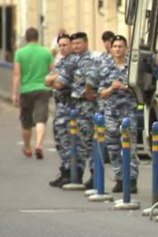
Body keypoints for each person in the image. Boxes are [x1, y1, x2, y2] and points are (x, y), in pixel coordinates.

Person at [57, 32, 98, 189]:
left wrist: (88, 90)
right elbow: (60, 78)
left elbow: (92, 79)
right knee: (79, 142)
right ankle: (77, 175)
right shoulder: (74, 61)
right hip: (77, 107)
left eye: (78, 44)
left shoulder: (90, 60)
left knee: (88, 142)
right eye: (73, 44)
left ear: (86, 43)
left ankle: (94, 177)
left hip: (87, 107)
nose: (75, 47)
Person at [99, 35, 139, 193]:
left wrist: (123, 87)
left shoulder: (132, 67)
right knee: (114, 148)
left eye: (120, 46)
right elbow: (101, 92)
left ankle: (132, 179)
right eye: (115, 46)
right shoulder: (106, 66)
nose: (117, 49)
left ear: (126, 48)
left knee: (130, 146)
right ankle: (120, 179)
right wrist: (111, 89)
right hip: (111, 113)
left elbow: (138, 89)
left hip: (128, 112)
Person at [12, 27, 54, 160]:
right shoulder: (46, 52)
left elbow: (17, 75)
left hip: (26, 90)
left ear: (26, 38)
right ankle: (39, 145)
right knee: (41, 118)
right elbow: (53, 71)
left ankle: (28, 147)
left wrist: (15, 93)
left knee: (26, 121)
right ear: (38, 37)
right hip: (42, 89)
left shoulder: (20, 53)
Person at [46, 33, 76, 187]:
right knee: (59, 141)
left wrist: (54, 78)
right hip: (60, 107)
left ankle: (70, 172)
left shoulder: (72, 62)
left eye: (65, 45)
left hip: (69, 108)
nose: (63, 48)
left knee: (67, 141)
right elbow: (48, 80)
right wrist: (54, 78)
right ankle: (65, 170)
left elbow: (58, 84)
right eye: (61, 46)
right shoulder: (61, 62)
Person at [97, 31, 116, 164]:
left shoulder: (120, 57)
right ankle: (105, 155)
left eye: (109, 41)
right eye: (105, 41)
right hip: (103, 100)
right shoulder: (102, 58)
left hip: (117, 100)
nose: (107, 44)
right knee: (103, 129)